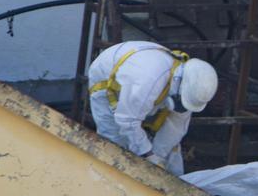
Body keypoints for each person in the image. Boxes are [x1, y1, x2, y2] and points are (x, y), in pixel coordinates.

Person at [87, 41, 218, 175]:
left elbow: (176, 127)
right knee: (114, 142)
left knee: (170, 148)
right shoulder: (148, 80)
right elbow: (127, 121)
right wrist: (148, 154)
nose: (182, 107)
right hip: (105, 76)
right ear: (180, 84)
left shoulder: (188, 85)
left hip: (139, 81)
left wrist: (159, 157)